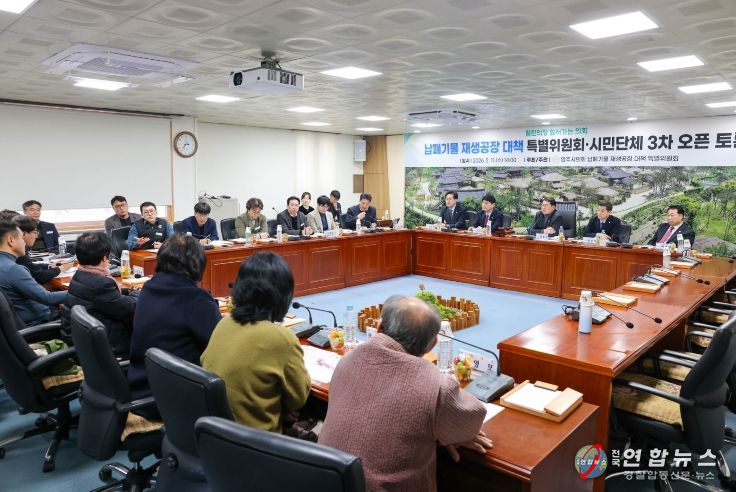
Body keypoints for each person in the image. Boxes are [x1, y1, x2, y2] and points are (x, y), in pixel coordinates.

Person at [319, 295, 492, 491]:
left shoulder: (348, 359)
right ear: (433, 344)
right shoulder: (436, 385)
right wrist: (448, 433)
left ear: (379, 326)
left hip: (323, 483)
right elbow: (472, 421)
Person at [201, 252, 310, 433]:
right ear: (283, 295)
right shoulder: (282, 339)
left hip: (216, 435)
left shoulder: (224, 323)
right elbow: (298, 399)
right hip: (258, 442)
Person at [127, 234, 221, 419]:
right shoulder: (195, 299)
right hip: (174, 398)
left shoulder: (149, 287)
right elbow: (219, 348)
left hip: (141, 386)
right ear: (197, 264)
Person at [60, 232, 137, 354]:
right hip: (103, 345)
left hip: (80, 338)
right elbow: (127, 307)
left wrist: (127, 291)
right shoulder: (101, 283)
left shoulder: (80, 273)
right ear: (105, 258)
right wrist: (139, 293)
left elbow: (105, 298)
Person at [0, 219, 67, 326]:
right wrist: (80, 290)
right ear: (11, 240)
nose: (24, 243)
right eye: (21, 238)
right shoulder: (13, 269)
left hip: (19, 321)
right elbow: (48, 298)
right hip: (40, 323)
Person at [13, 214, 71, 284]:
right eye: (34, 232)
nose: (36, 236)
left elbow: (30, 266)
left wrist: (50, 265)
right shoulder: (19, 252)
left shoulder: (17, 249)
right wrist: (60, 269)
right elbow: (40, 276)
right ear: (23, 234)